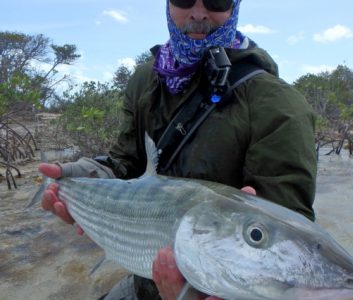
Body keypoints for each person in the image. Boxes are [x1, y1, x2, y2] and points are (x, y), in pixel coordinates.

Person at [39, 0, 317, 299]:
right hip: (143, 279)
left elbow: (287, 242)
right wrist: (80, 177)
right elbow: (126, 163)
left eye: (217, 0)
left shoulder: (279, 104)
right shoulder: (146, 80)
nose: (198, 14)